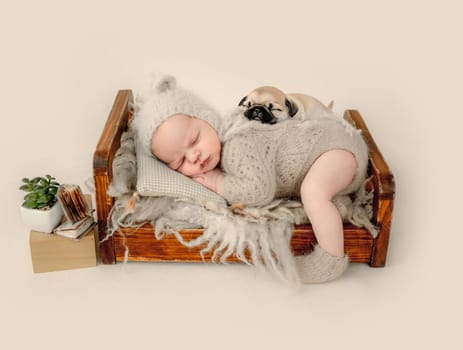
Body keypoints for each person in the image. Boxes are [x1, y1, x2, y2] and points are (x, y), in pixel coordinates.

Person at [132, 74, 369, 283]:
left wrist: (218, 183)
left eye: (194, 140)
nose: (194, 156)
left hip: (333, 149)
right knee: (316, 195)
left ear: (207, 119)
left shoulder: (237, 144)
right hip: (331, 156)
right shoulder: (220, 146)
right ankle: (331, 207)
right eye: (180, 162)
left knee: (313, 193)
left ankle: (332, 259)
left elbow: (258, 192)